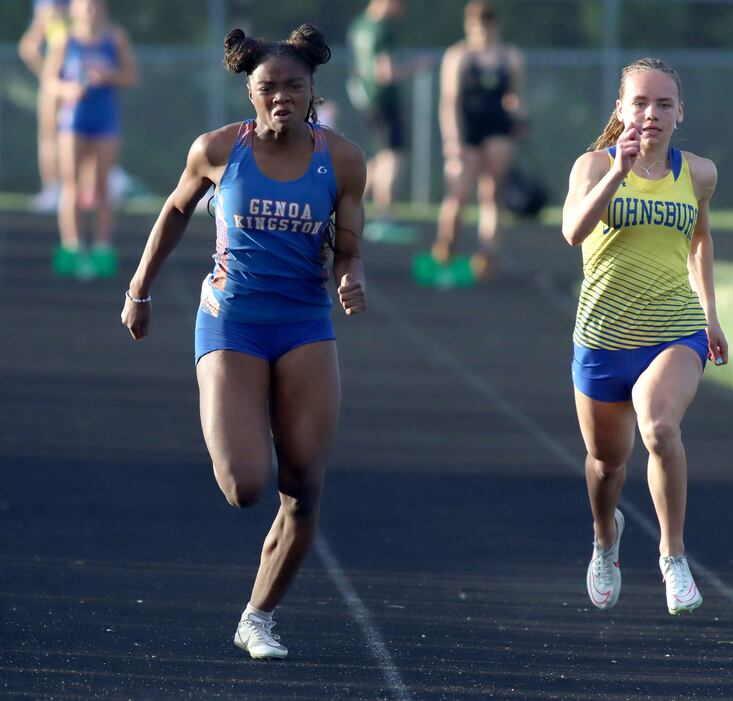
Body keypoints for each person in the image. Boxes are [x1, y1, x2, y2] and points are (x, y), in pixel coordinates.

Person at [121, 25, 367, 660]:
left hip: (306, 320)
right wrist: (140, 288)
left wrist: (351, 278)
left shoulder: (340, 158)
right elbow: (175, 211)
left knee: (305, 486)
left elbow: (349, 244)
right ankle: (234, 408)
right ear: (250, 93)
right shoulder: (216, 150)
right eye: (269, 88)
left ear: (314, 92)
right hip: (233, 318)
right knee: (245, 484)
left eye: (295, 86)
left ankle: (258, 616)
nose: (282, 97)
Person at [561, 58, 728, 615]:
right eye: (640, 103)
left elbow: (700, 238)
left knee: (658, 425)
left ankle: (672, 555)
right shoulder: (592, 166)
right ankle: (606, 539)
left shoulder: (698, 173)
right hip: (603, 338)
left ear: (680, 112)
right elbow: (572, 231)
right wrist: (618, 170)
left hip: (674, 331)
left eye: (663, 103)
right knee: (607, 464)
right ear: (621, 110)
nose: (651, 113)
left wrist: (710, 315)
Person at [42, 0, 138, 279]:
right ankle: (71, 247)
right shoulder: (65, 39)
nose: (90, 11)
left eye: (95, 5)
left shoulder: (115, 38)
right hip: (73, 121)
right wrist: (68, 89)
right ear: (75, 9)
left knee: (102, 185)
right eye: (85, 6)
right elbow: (49, 81)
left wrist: (109, 75)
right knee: (70, 182)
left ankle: (101, 247)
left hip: (105, 120)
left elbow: (131, 75)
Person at [430, 1, 525, 282]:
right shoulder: (458, 56)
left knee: (492, 193)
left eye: (484, 28)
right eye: (474, 28)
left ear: (494, 26)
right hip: (467, 132)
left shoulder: (511, 57)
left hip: (498, 130)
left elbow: (515, 96)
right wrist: (452, 140)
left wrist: (519, 113)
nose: (479, 34)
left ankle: (487, 257)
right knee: (458, 193)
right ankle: (446, 247)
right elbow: (449, 102)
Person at [346, 0, 419, 236]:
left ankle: (348, 201)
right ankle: (385, 215)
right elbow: (385, 73)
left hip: (366, 99)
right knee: (394, 156)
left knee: (382, 156)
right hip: (383, 100)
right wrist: (415, 67)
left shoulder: (359, 26)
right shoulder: (381, 29)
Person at [18, 0, 70, 212]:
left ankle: (79, 189)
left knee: (82, 140)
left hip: (80, 85)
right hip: (59, 86)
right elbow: (29, 47)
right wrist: (49, 75)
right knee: (50, 138)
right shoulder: (50, 7)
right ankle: (52, 189)